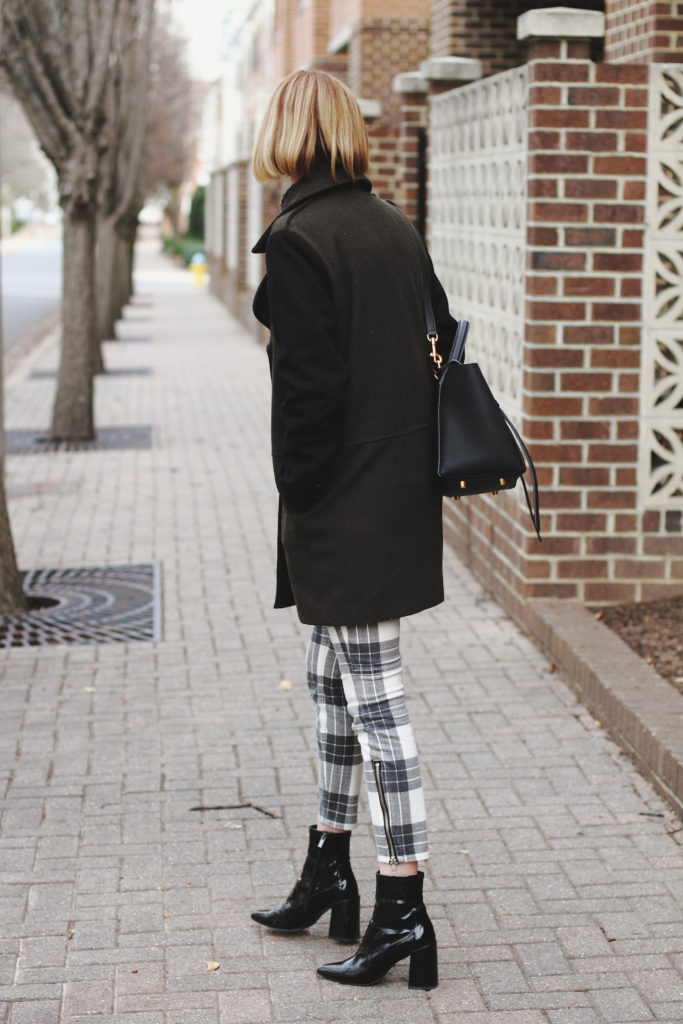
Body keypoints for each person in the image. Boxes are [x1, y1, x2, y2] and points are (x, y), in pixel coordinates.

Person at [249, 68, 457, 990]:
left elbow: (308, 393)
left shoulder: (300, 239)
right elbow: (443, 336)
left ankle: (402, 905)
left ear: (287, 138)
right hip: (393, 492)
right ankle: (328, 866)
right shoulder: (391, 227)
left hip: (340, 501)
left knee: (378, 710)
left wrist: (299, 490)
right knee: (331, 687)